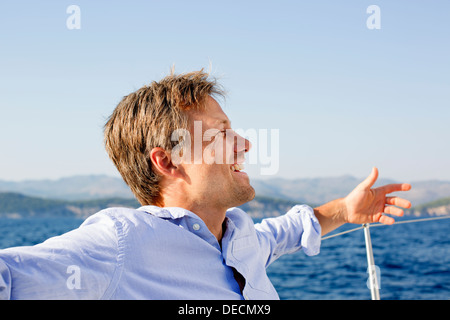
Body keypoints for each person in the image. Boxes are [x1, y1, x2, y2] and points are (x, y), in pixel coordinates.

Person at [0, 70, 411, 299]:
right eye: (221, 133)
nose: (246, 144)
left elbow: (282, 233)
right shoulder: (122, 242)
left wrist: (344, 210)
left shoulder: (239, 234)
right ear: (167, 161)